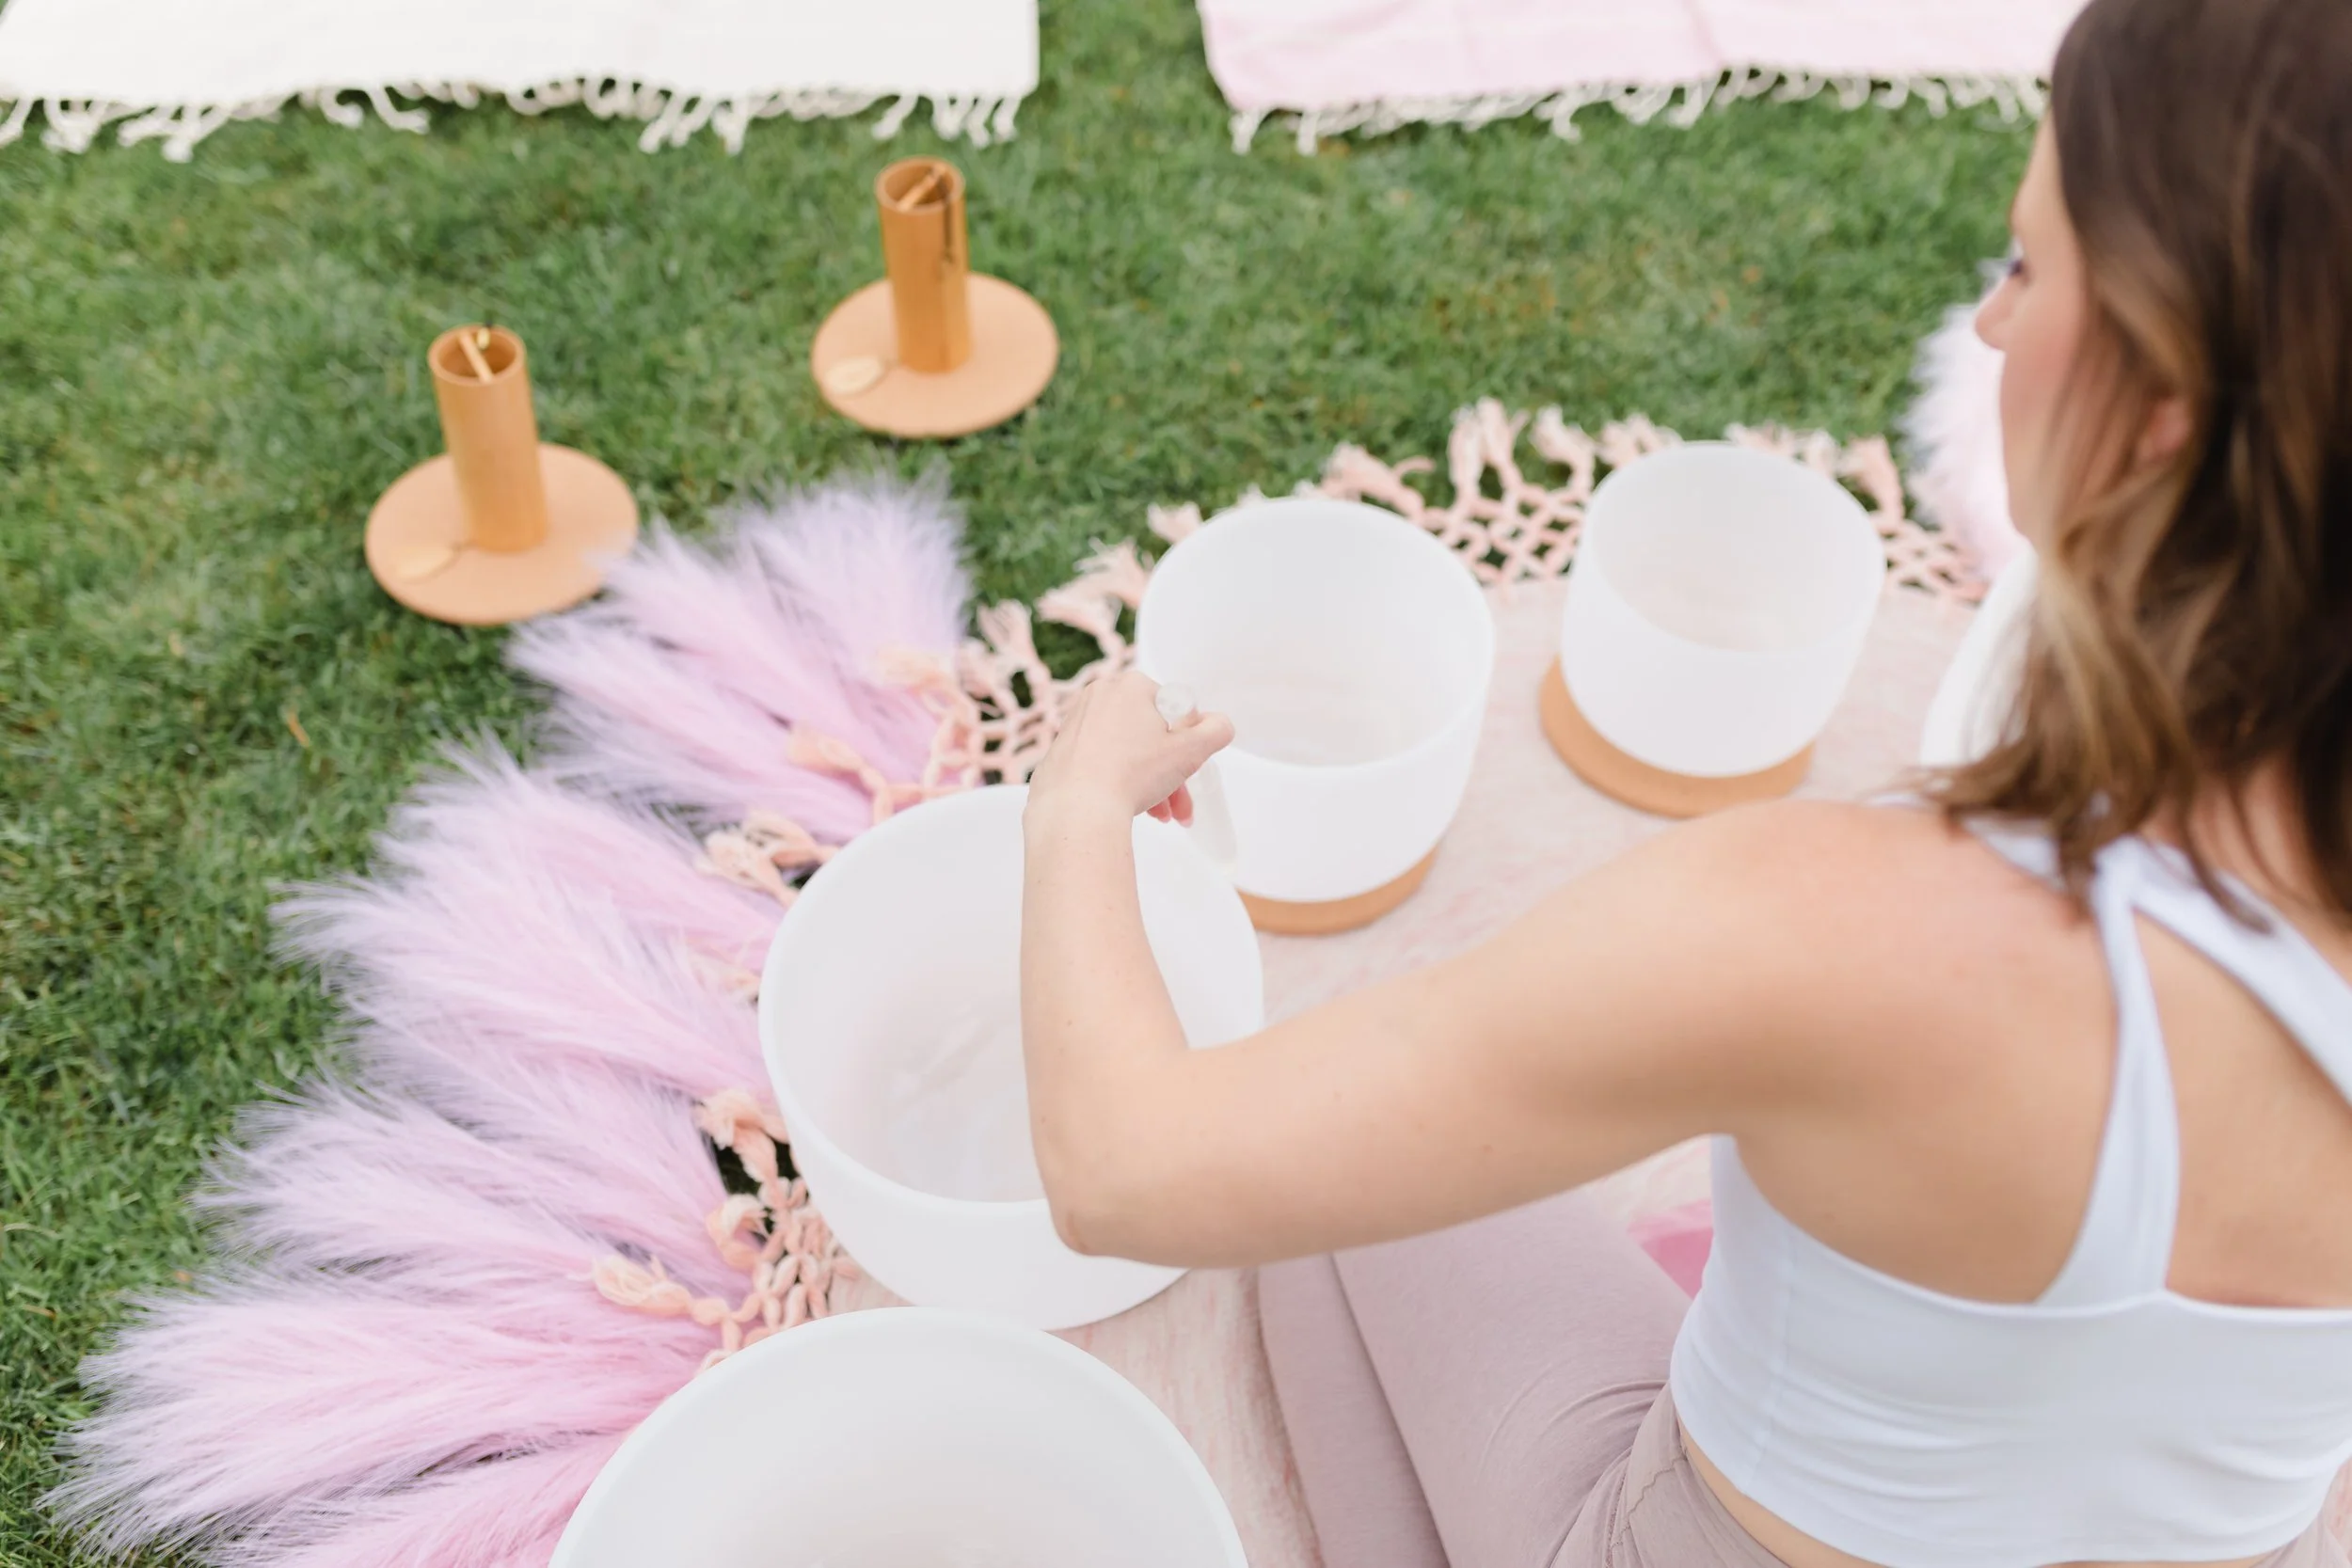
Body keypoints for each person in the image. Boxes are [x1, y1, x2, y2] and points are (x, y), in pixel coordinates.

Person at [1017, 0, 2352, 1563]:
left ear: (2166, 409)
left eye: (2028, 267)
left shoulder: (1829, 930)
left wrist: (1074, 811)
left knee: (1328, 1176)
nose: (1988, 328)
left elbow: (1128, 1164)